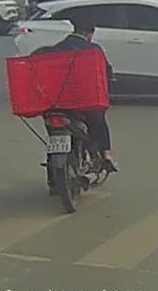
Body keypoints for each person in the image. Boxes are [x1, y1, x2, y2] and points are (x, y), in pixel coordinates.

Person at [32, 13, 118, 172]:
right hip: (83, 103)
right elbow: (106, 73)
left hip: (56, 103)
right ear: (90, 34)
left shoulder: (55, 49)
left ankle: (54, 164)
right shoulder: (94, 50)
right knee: (99, 120)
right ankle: (106, 155)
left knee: (52, 128)